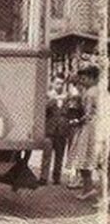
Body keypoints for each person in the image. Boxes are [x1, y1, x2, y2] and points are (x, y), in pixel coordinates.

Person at [66, 65, 100, 200]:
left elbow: (89, 113)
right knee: (86, 160)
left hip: (91, 127)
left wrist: (77, 121)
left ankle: (88, 188)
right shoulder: (95, 91)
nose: (81, 81)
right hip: (94, 125)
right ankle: (88, 188)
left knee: (84, 158)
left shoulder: (91, 93)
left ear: (92, 78)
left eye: (84, 78)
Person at [39, 74, 69, 185]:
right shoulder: (47, 96)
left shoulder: (67, 97)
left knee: (60, 156)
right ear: (52, 83)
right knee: (47, 155)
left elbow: (69, 113)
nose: (60, 86)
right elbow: (42, 110)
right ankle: (43, 178)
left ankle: (57, 177)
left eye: (62, 83)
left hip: (62, 131)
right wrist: (53, 99)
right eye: (57, 83)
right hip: (49, 130)